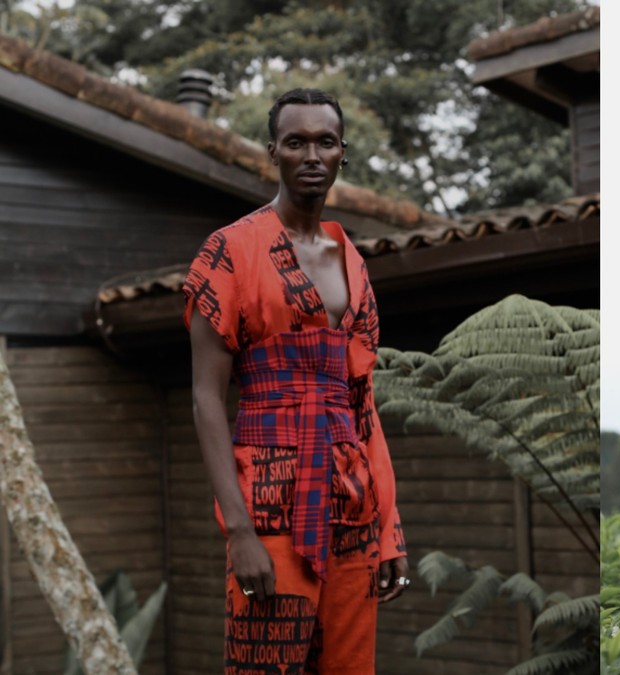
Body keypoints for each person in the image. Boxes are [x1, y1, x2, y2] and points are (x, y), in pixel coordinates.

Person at [185, 88, 409, 673]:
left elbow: (363, 406)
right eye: (296, 142)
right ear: (272, 153)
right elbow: (206, 399)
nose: (312, 154)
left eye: (325, 142)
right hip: (269, 507)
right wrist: (239, 531)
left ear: (342, 155)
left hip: (352, 507)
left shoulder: (349, 260)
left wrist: (390, 530)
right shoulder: (230, 251)